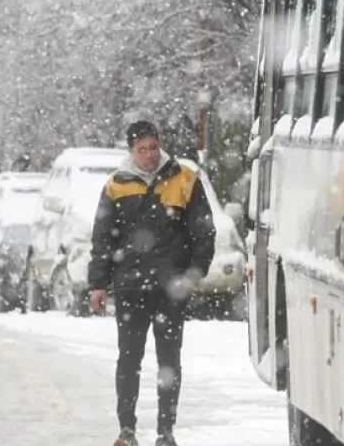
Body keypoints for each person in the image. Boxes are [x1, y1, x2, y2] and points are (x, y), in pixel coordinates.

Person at [88, 120, 217, 446]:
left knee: (169, 362)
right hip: (131, 287)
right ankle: (127, 430)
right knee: (129, 358)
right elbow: (102, 239)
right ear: (131, 151)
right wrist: (98, 283)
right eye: (142, 149)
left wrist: (195, 272)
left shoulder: (184, 179)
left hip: (170, 289)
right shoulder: (116, 185)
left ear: (160, 145)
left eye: (153, 147)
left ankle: (165, 432)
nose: (149, 155)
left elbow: (204, 230)